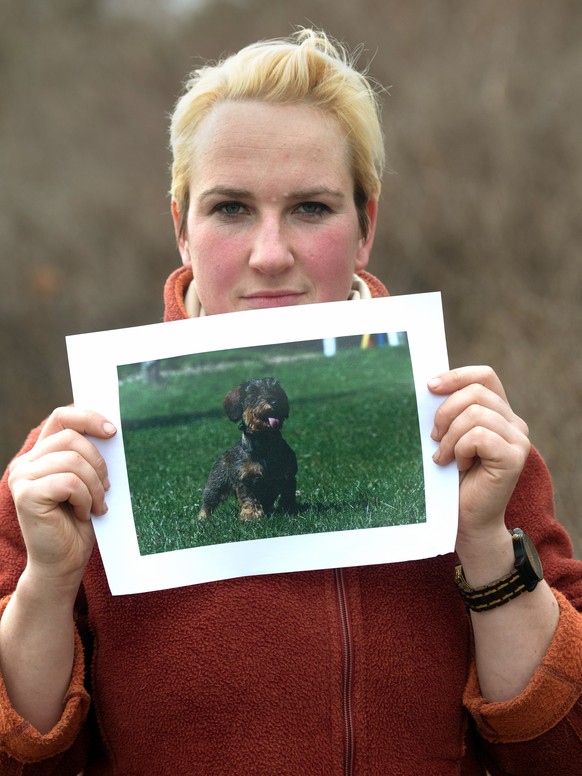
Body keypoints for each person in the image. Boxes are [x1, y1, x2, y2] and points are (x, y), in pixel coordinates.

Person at [0, 28, 580, 775]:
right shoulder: (67, 468)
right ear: (181, 228)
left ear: (366, 227)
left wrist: (487, 546)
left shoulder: (469, 443)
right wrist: (49, 586)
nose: (270, 253)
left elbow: (562, 754)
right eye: (231, 209)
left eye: (311, 208)